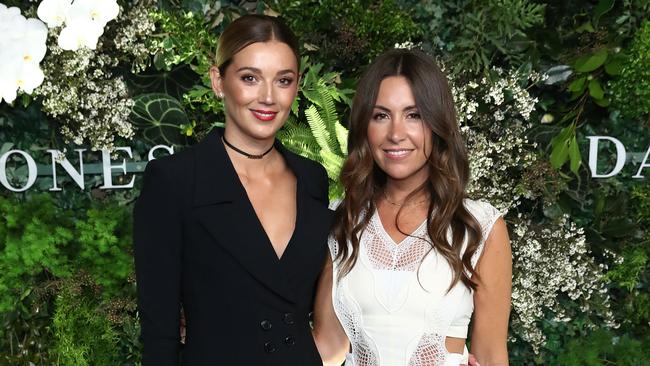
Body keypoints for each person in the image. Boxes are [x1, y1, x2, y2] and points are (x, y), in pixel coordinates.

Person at [133, 14, 332, 365]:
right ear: (218, 81)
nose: (268, 97)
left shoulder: (311, 180)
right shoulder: (175, 181)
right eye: (250, 78)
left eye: (283, 80)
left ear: (297, 85)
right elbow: (159, 332)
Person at [312, 49, 512, 366]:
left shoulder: (480, 226)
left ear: (437, 124)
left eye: (414, 115)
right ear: (365, 126)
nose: (396, 134)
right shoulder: (340, 217)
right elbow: (328, 344)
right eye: (381, 115)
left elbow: (490, 356)